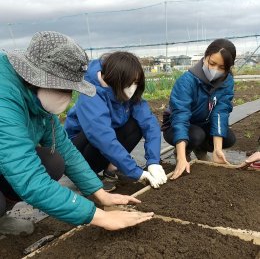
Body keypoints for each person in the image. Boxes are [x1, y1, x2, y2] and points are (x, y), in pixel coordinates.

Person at [0, 31, 154, 236]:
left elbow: (64, 147)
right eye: (65, 88)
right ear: (40, 78)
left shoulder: (34, 95)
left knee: (53, 161)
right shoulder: (5, 99)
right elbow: (27, 175)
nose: (69, 96)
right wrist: (100, 216)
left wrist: (98, 192)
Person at [64, 51, 167, 191]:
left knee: (136, 124)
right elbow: (102, 137)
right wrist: (136, 172)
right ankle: (84, 177)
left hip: (103, 144)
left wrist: (153, 161)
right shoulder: (91, 94)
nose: (133, 87)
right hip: (79, 152)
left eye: (136, 82)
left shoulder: (128, 94)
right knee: (97, 134)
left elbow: (150, 124)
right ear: (115, 78)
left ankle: (112, 170)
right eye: (129, 82)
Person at [162, 39, 237, 180]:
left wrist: (217, 149)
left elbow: (221, 111)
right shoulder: (187, 81)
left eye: (222, 67)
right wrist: (181, 157)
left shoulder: (227, 81)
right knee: (196, 135)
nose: (215, 70)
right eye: (212, 63)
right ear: (205, 57)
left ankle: (200, 149)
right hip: (175, 126)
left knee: (228, 137)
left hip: (203, 123)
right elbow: (180, 116)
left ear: (228, 67)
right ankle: (182, 152)